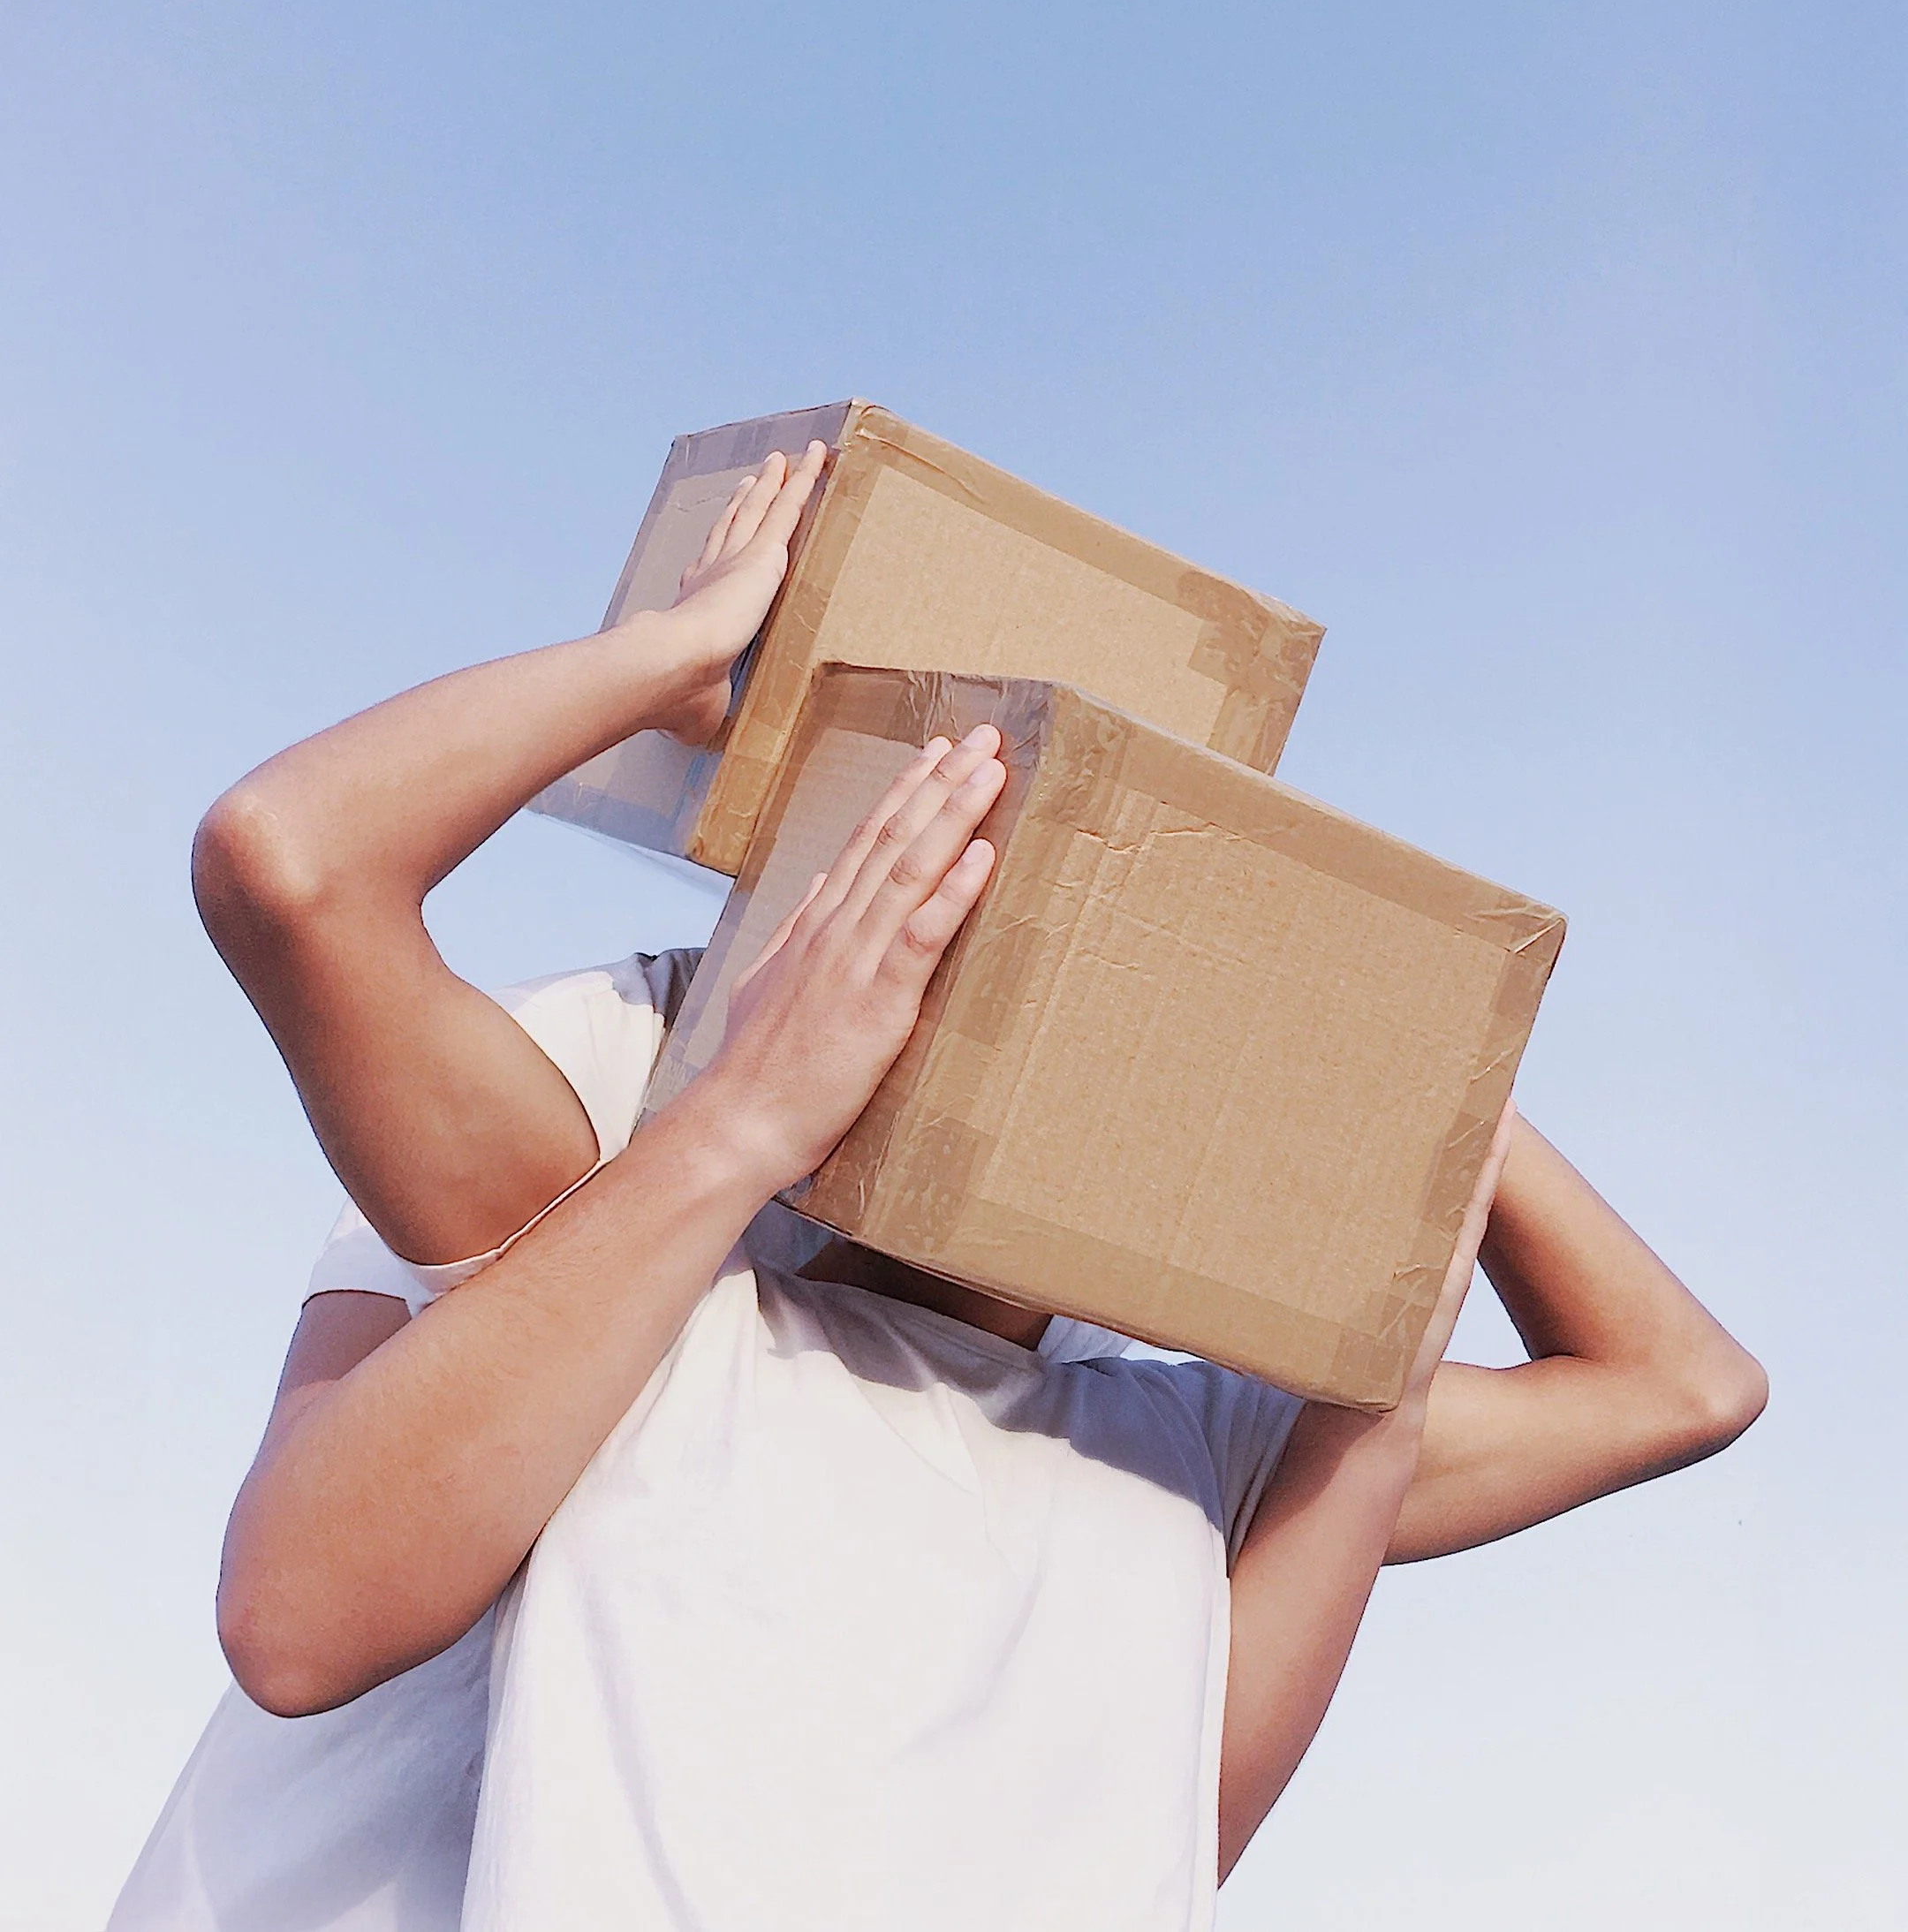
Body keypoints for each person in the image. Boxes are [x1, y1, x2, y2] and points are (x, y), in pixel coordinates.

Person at [111, 447, 1767, 1931]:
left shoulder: (1166, 1460)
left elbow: (1683, 1386)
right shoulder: (623, 1136)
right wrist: (675, 666)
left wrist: (1361, 1015)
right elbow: (292, 864)